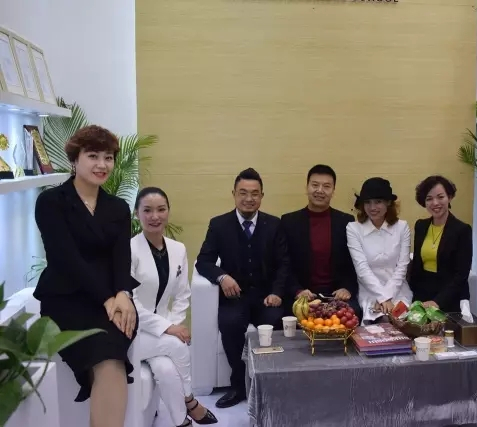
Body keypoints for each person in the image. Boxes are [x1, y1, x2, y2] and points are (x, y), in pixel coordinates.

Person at [33, 125, 138, 427]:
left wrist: (123, 294)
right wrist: (107, 298)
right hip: (67, 300)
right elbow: (67, 260)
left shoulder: (118, 208)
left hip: (113, 298)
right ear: (74, 160)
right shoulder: (51, 202)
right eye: (93, 156)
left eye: (108, 157)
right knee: (103, 352)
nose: (102, 164)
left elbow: (121, 258)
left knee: (112, 357)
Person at [196, 168, 290, 409]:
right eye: (243, 193)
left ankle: (271, 384)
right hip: (234, 297)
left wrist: (277, 292)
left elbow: (284, 264)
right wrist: (222, 277)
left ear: (262, 196)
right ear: (234, 194)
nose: (249, 198)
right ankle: (238, 384)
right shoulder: (219, 225)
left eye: (255, 193)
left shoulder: (274, 224)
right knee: (230, 324)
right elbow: (203, 261)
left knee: (276, 321)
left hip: (266, 297)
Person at [131, 187, 217, 426]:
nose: (154, 216)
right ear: (137, 213)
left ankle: (181, 422)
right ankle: (191, 401)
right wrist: (168, 329)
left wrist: (172, 325)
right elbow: (131, 303)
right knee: (177, 346)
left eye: (161, 209)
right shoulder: (129, 250)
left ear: (168, 211)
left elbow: (182, 295)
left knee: (166, 370)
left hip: (160, 329)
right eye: (147, 210)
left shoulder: (178, 250)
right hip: (132, 331)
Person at [280, 165, 359, 315]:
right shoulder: (289, 221)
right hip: (302, 294)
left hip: (335, 294)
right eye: (315, 185)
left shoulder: (346, 221)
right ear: (307, 187)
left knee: (353, 313)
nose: (320, 190)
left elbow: (353, 262)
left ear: (333, 191)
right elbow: (284, 263)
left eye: (326, 186)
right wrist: (297, 290)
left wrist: (346, 288)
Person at [346, 178, 412, 324]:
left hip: (399, 291)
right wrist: (382, 298)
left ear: (388, 202)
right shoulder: (353, 229)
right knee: (379, 323)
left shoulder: (402, 227)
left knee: (403, 324)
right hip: (370, 293)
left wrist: (386, 297)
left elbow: (402, 267)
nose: (372, 207)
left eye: (378, 202)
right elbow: (362, 269)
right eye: (367, 202)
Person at [409, 175, 472, 313]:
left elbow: (461, 275)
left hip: (449, 298)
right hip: (422, 296)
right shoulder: (421, 226)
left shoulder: (462, 230)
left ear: (449, 197)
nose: (435, 203)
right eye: (429, 199)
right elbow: (417, 267)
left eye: (440, 197)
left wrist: (438, 302)